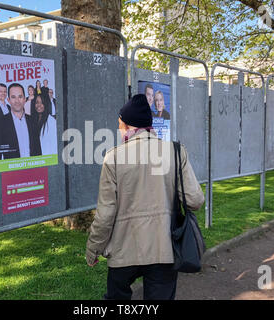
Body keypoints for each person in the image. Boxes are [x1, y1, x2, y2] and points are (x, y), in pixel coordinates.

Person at [86, 94, 204, 300]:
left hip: (123, 250)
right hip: (164, 249)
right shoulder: (175, 152)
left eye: (120, 124)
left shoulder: (113, 157)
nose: (119, 129)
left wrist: (93, 249)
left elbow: (105, 215)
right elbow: (195, 201)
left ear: (128, 125)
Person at [0, 83, 40, 159]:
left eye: (20, 97)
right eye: (13, 97)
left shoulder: (33, 121)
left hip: (33, 168)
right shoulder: (1, 123)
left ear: (25, 99)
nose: (17, 101)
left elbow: (38, 150)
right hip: (12, 170)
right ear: (8, 100)